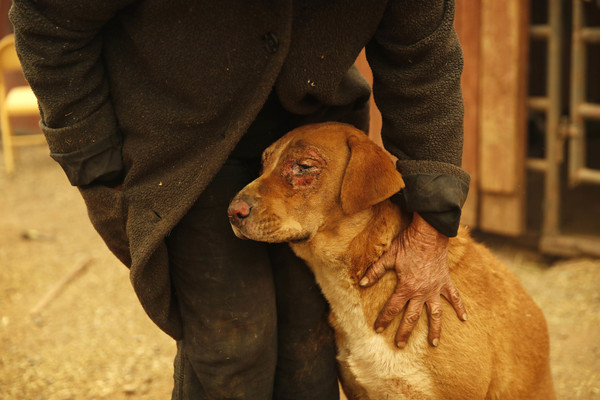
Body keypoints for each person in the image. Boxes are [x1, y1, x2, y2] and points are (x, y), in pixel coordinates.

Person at [10, 0, 470, 398]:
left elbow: (423, 62)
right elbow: (46, 22)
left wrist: (432, 221)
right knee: (233, 347)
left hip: (313, 135)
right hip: (183, 146)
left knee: (309, 344)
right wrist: (95, 162)